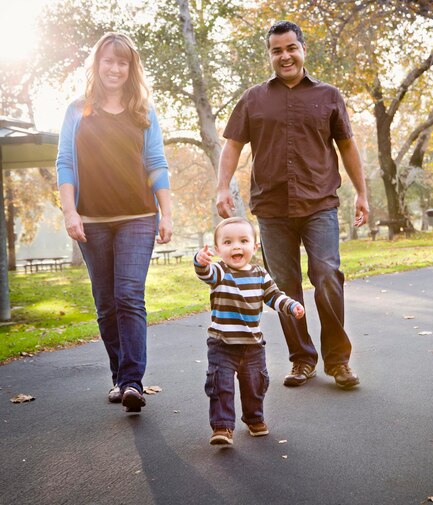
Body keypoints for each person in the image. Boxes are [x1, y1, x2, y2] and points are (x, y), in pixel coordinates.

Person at [216, 21, 369, 390]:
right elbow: (233, 144)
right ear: (269, 54)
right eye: (276, 50)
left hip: (320, 204)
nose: (284, 56)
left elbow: (347, 146)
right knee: (284, 287)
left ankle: (338, 361)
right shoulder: (254, 98)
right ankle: (302, 360)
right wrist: (222, 186)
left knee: (327, 276)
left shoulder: (329, 95)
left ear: (302, 50)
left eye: (290, 48)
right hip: (271, 209)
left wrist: (362, 193)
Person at [56, 32, 172, 413]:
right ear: (97, 64)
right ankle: (119, 377)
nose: (115, 68)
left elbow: (156, 164)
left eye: (123, 62)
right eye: (109, 60)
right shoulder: (77, 110)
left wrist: (166, 212)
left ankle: (132, 381)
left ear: (131, 68)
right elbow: (65, 165)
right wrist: (70, 211)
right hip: (91, 220)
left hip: (138, 216)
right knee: (106, 302)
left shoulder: (143, 111)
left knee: (128, 295)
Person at [194, 217, 305, 446]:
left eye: (243, 241)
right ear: (218, 250)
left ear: (254, 247)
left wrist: (291, 305)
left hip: (252, 344)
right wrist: (200, 261)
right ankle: (222, 427)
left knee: (255, 384)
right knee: (220, 385)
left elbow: (274, 296)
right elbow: (205, 273)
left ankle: (254, 418)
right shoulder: (220, 272)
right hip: (222, 344)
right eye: (228, 242)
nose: (236, 246)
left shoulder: (260, 274)